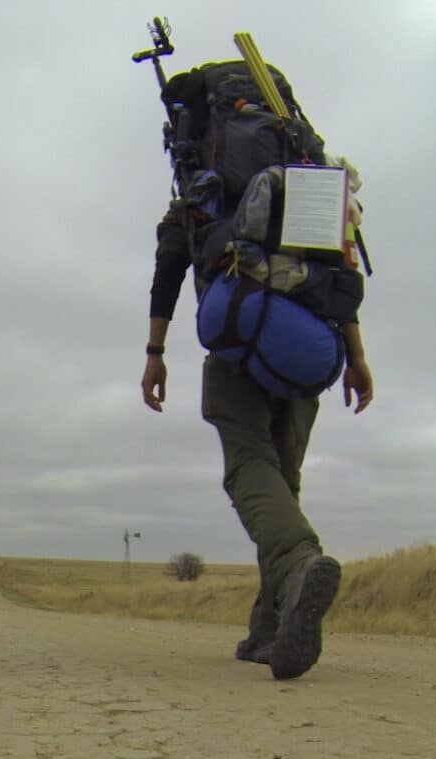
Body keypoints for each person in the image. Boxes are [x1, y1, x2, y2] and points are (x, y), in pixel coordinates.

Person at [142, 201, 375, 680]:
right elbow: (340, 273)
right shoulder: (309, 179)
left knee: (249, 469)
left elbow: (168, 274)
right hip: (306, 349)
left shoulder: (197, 192)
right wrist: (356, 356)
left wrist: (155, 352)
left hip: (238, 343)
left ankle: (298, 563)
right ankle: (268, 629)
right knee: (281, 484)